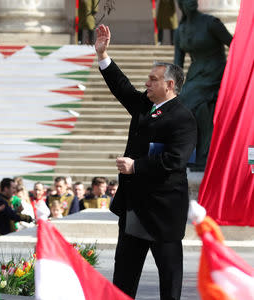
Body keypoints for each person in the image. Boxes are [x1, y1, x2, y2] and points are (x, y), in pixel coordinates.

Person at [95, 24, 197, 299]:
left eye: (153, 79)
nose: (147, 83)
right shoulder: (144, 105)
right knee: (123, 279)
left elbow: (175, 160)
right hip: (133, 209)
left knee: (170, 281)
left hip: (163, 213)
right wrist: (103, 55)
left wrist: (135, 166)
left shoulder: (183, 118)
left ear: (169, 85)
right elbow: (122, 88)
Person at [174, 0, 232, 171]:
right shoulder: (181, 30)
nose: (191, 2)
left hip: (216, 72)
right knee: (187, 103)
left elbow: (234, 45)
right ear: (181, 4)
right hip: (196, 74)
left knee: (191, 100)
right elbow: (178, 62)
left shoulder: (211, 23)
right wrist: (173, 88)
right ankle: (199, 155)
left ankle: (203, 156)